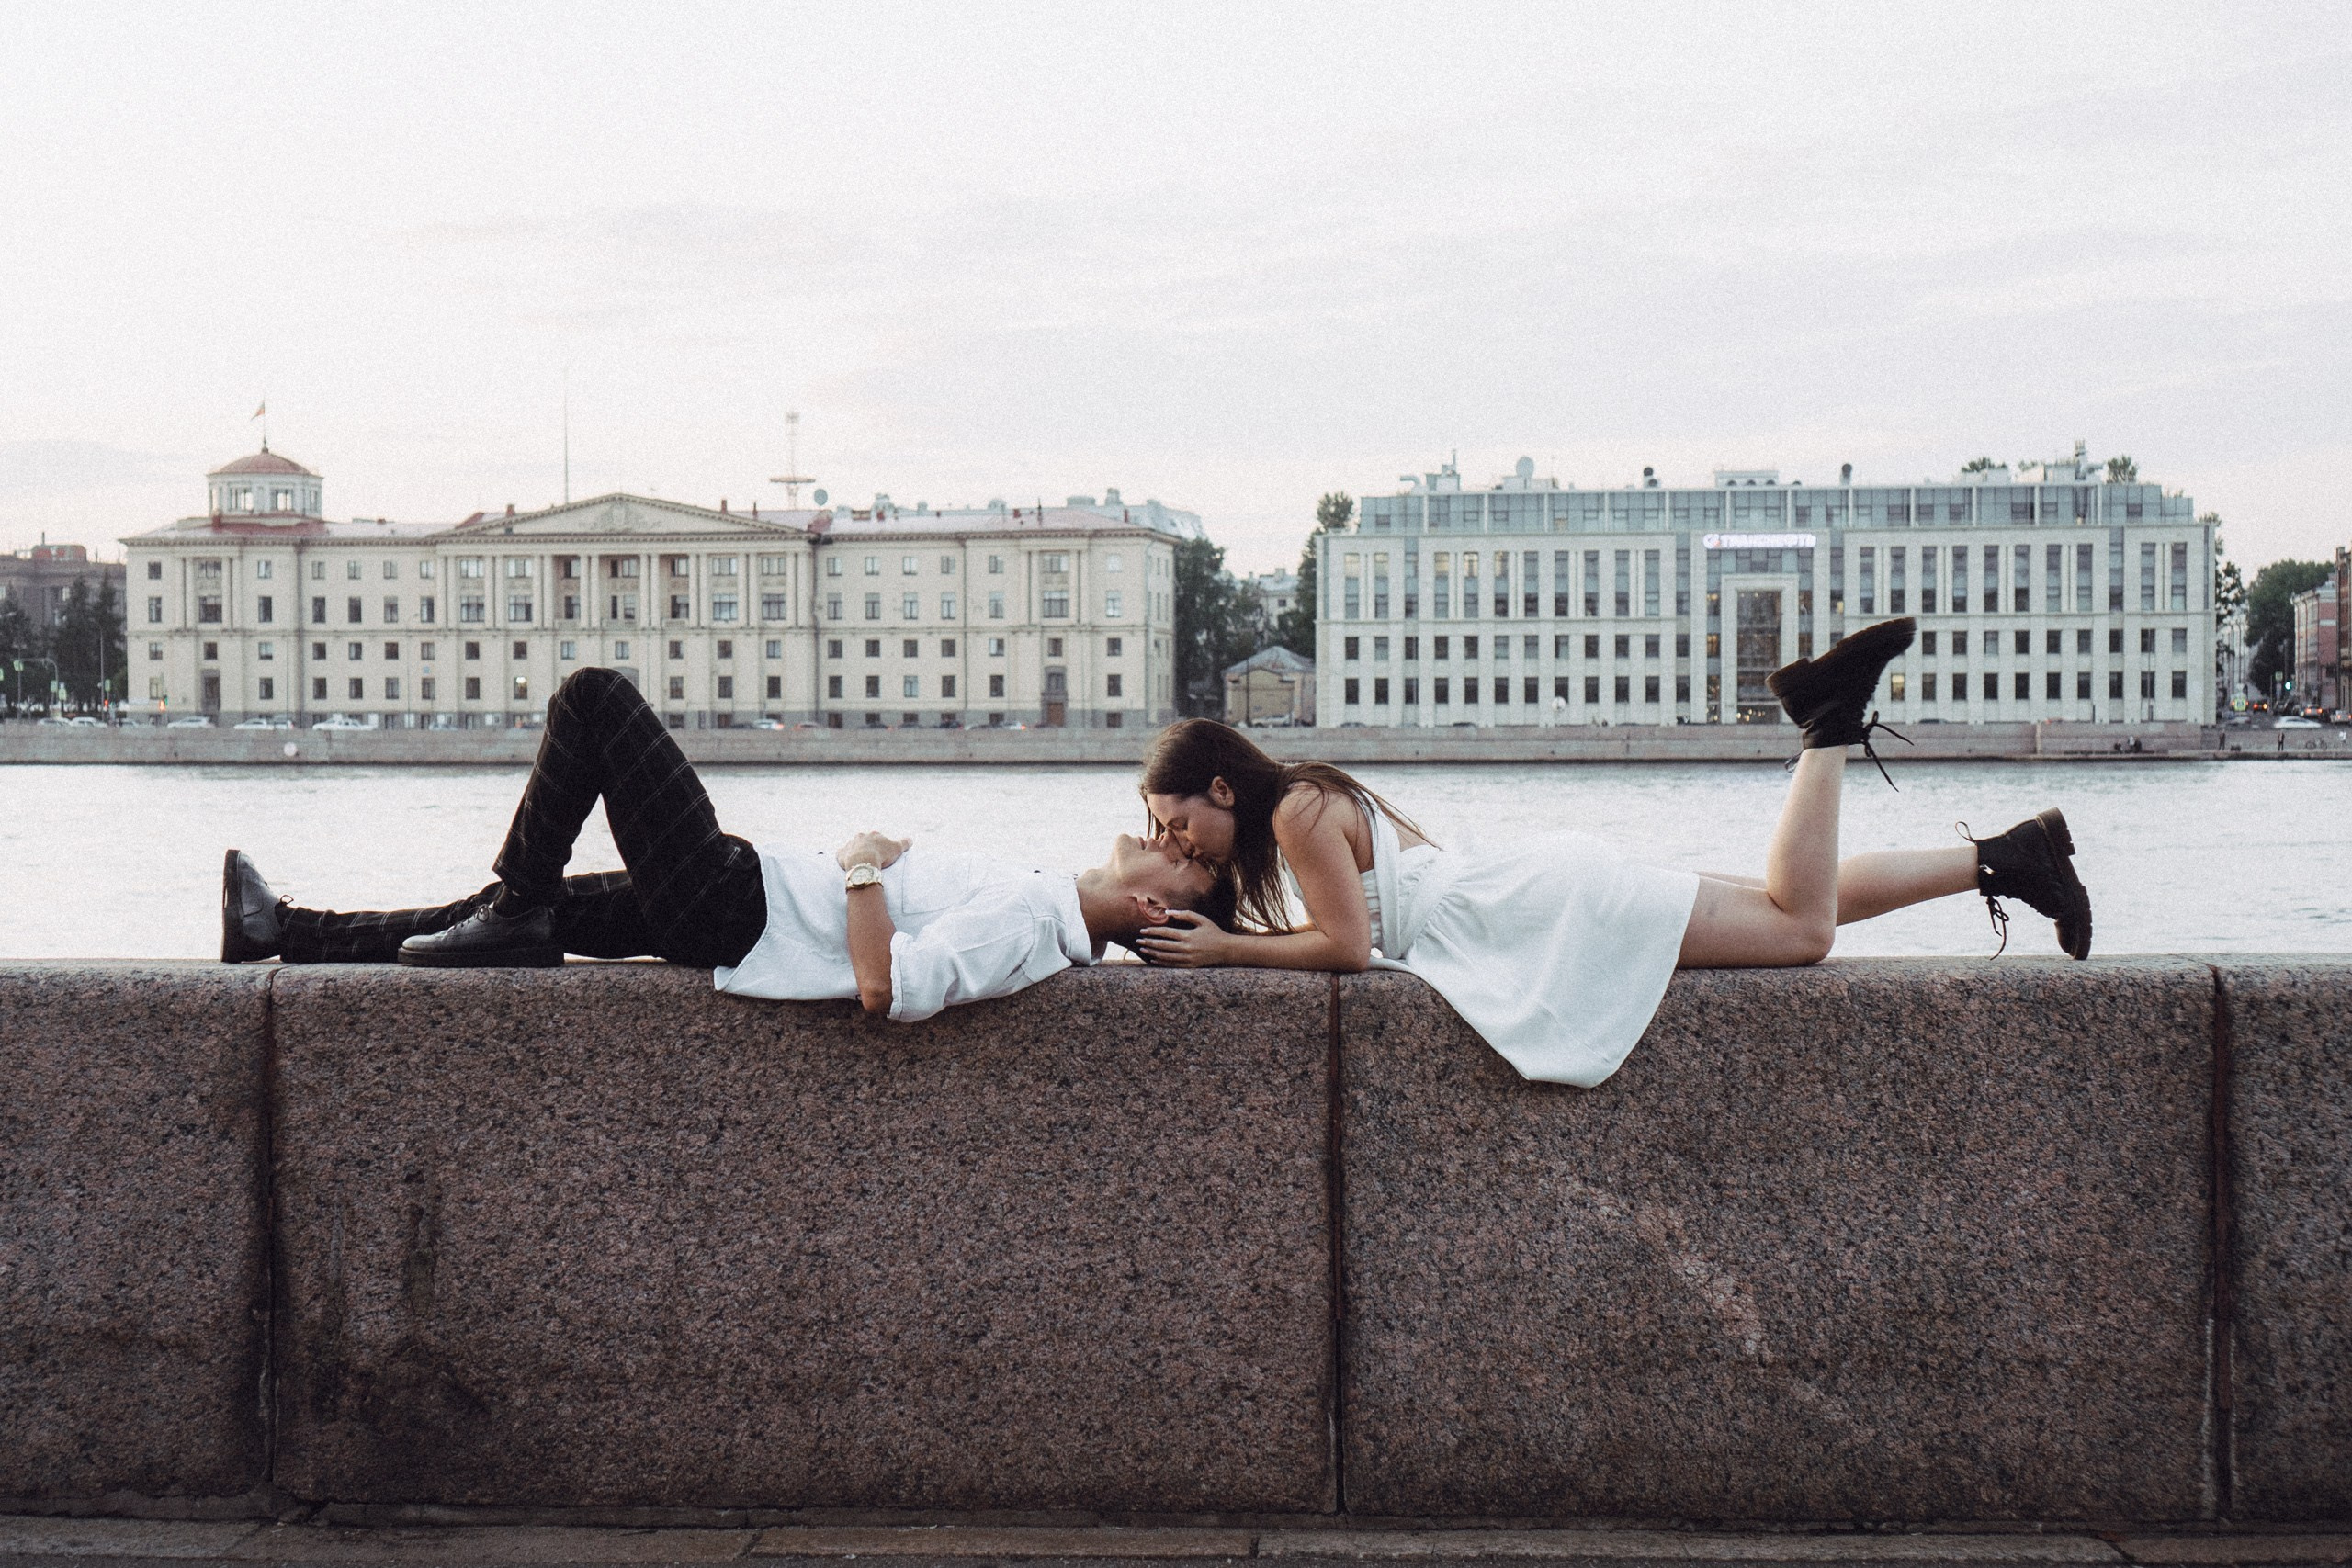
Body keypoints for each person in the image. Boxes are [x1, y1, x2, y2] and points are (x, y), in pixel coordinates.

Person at [1134, 618, 2094, 1087]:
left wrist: (1224, 949)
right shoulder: (1308, 799)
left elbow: (1344, 949)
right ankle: (2009, 859)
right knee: (1787, 902)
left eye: (1176, 823)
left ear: (1221, 787)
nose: (1179, 844)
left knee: (1797, 929)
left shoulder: (1298, 811)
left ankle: (1825, 725)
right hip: (1536, 898)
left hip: (1548, 914)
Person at [220, 666, 1222, 1021]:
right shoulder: (1040, 909)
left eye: (1182, 856)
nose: (1163, 834)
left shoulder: (1028, 921)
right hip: (737, 907)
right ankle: (283, 933)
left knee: (594, 700)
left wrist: (862, 860)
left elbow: (888, 991)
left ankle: (517, 905)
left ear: (1148, 908)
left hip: (736, 907)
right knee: (487, 926)